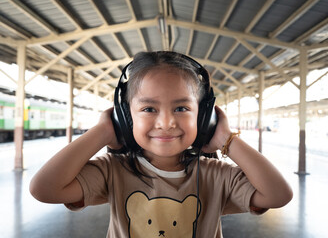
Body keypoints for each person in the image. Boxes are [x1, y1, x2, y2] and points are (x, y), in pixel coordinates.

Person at [30, 51, 292, 237]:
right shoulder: (112, 171)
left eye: (181, 107)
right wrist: (102, 132)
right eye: (148, 108)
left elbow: (278, 194)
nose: (166, 122)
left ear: (203, 118)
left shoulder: (216, 176)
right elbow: (44, 189)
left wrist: (227, 140)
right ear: (125, 117)